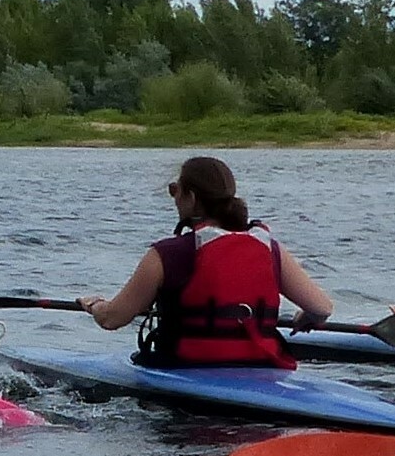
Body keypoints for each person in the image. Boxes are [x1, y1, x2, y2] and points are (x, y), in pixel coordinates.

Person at [77, 156, 335, 367]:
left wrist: (95, 304)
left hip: (185, 368)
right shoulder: (270, 249)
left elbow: (112, 319)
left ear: (190, 197)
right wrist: (306, 317)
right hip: (259, 368)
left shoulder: (166, 254)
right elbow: (322, 309)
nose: (174, 198)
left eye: (174, 190)